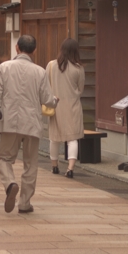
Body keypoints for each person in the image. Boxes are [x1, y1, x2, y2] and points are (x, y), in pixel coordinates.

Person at [0, 35, 56, 214]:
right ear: (34, 51)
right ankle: (25, 203)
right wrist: (55, 100)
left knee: (5, 158)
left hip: (10, 120)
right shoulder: (40, 71)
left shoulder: (4, 67)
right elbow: (47, 100)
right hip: (32, 122)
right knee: (31, 163)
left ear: (17, 48)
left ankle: (10, 183)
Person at [46, 38, 85, 178]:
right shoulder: (79, 68)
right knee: (72, 138)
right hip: (73, 106)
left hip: (55, 106)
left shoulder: (51, 65)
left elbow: (46, 86)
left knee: (54, 138)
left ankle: (54, 166)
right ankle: (70, 168)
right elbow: (80, 89)